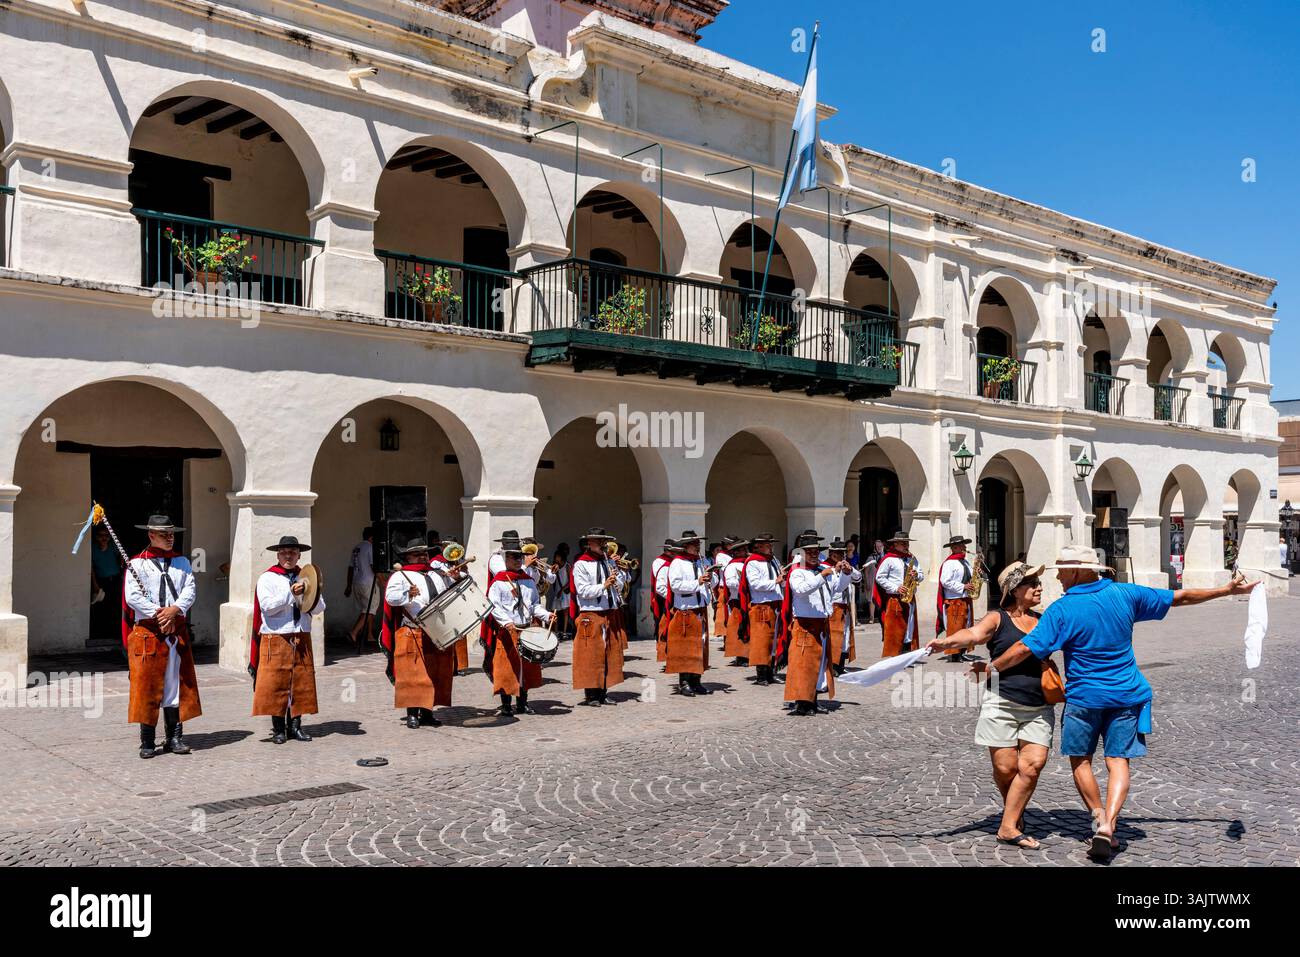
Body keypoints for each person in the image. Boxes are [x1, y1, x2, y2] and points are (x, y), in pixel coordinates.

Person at [983, 543, 1257, 860]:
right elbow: (1180, 598)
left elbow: (1028, 648)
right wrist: (1226, 590)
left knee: (1081, 761)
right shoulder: (1126, 594)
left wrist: (993, 666)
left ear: (1076, 572)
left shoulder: (1061, 609)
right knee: (1118, 763)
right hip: (1127, 694)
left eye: (1062, 573)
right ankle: (1108, 827)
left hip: (1084, 698)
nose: (1058, 580)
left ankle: (1099, 818)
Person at [927, 561, 1054, 850]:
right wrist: (947, 643)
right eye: (1032, 583)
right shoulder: (997, 618)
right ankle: (1014, 815)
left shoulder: (1042, 619)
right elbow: (972, 634)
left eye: (1038, 583)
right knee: (1006, 768)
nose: (1039, 587)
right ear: (1015, 590)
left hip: (1038, 705)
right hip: (1002, 704)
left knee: (1032, 766)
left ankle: (1008, 827)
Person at [122, 514, 200, 759]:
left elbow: (190, 589)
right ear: (151, 535)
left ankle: (174, 737)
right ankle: (147, 740)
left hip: (175, 630)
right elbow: (133, 596)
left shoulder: (183, 562)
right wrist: (159, 614)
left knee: (174, 684)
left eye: (172, 533)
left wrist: (174, 610)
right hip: (149, 631)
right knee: (147, 685)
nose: (169, 538)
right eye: (164, 534)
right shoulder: (137, 564)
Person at [249, 535, 322, 744]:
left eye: (292, 552)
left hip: (300, 635)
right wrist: (291, 595)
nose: (288, 556)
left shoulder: (307, 577)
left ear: (299, 555)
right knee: (276, 684)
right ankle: (279, 728)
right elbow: (268, 607)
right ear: (278, 555)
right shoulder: (267, 578)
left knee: (299, 683)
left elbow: (320, 607)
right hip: (276, 637)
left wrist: (311, 594)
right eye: (284, 552)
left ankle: (296, 726)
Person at [381, 537, 456, 729]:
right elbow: (390, 598)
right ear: (408, 557)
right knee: (413, 674)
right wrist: (407, 594)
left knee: (433, 672)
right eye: (417, 554)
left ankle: (428, 712)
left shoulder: (438, 574)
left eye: (425, 553)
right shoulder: (400, 576)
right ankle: (412, 714)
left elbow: (451, 594)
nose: (423, 556)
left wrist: (455, 578)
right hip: (412, 629)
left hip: (436, 630)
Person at [778, 531, 852, 716]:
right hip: (805, 624)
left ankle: (813, 699)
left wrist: (845, 575)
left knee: (819, 666)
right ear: (802, 554)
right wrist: (822, 576)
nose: (813, 555)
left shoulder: (820, 571)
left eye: (816, 551)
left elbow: (837, 588)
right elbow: (801, 591)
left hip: (821, 623)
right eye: (809, 552)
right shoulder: (797, 572)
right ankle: (802, 702)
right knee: (804, 664)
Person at [485, 533, 554, 716]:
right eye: (513, 557)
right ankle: (506, 706)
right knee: (506, 669)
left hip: (526, 629)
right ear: (505, 558)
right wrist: (506, 622)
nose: (517, 560)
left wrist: (547, 615)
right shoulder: (498, 582)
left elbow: (534, 605)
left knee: (526, 668)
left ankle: (522, 703)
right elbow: (492, 606)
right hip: (508, 629)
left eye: (520, 557)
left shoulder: (528, 581)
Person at [569, 526, 625, 706]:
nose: (603, 545)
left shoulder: (608, 561)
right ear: (589, 543)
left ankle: (603, 692)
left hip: (609, 612)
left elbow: (622, 585)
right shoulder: (581, 564)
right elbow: (583, 591)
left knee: (608, 654)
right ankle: (591, 695)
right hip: (591, 613)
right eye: (598, 541)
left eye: (603, 541)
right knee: (590, 656)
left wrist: (618, 577)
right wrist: (604, 585)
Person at [666, 530, 712, 696]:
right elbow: (676, 586)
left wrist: (711, 578)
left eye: (698, 544)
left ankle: (697, 680)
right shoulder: (677, 563)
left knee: (700, 645)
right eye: (695, 544)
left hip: (701, 607)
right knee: (685, 647)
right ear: (686, 546)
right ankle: (684, 682)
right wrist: (697, 582)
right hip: (686, 608)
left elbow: (714, 583)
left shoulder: (702, 561)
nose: (698, 547)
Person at [740, 532, 783, 686]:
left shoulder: (773, 561)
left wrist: (783, 579)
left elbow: (779, 579)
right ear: (758, 546)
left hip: (775, 603)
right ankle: (761, 674)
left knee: (773, 640)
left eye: (771, 544)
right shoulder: (752, 562)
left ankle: (772, 671)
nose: (770, 547)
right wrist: (775, 582)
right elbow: (755, 583)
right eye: (767, 545)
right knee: (761, 641)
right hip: (761, 606)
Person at [874, 532, 924, 657]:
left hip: (909, 598)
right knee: (896, 628)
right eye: (903, 543)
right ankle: (895, 655)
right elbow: (879, 577)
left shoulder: (912, 559)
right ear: (895, 544)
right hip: (895, 598)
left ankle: (906, 654)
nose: (906, 545)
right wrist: (896, 588)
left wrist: (916, 576)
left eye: (907, 543)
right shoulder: (889, 559)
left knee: (909, 627)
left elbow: (921, 574)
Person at [936, 535, 980, 664]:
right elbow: (945, 581)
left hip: (965, 598)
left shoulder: (965, 561)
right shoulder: (949, 563)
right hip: (954, 599)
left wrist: (976, 573)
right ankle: (954, 655)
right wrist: (963, 586)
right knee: (955, 628)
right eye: (962, 546)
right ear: (954, 548)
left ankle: (962, 651)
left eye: (964, 545)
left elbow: (969, 577)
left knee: (966, 627)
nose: (965, 548)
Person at [824, 538, 862, 675]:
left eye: (842, 553)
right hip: (833, 605)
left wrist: (850, 569)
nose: (841, 556)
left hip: (845, 605)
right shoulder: (825, 567)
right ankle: (833, 665)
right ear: (831, 554)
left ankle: (840, 664)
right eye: (838, 553)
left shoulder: (846, 566)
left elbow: (858, 578)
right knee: (835, 636)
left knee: (845, 636)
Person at [344, 527, 378, 650]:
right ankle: (354, 633)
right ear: (372, 537)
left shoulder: (356, 548)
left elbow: (350, 568)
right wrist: (382, 579)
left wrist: (348, 585)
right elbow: (374, 566)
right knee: (371, 609)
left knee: (366, 610)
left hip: (357, 582)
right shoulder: (370, 547)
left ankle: (369, 635)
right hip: (368, 582)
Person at [89, 524, 123, 641]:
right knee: (102, 609)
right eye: (101, 536)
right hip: (101, 582)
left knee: (116, 607)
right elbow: (91, 569)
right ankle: (101, 634)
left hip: (116, 580)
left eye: (106, 536)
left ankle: (115, 634)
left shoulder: (113, 546)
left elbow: (121, 559)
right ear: (95, 537)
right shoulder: (92, 549)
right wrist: (95, 585)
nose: (104, 538)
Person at [721, 538, 751, 665]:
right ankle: (740, 655)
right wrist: (743, 582)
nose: (745, 551)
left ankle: (748, 653)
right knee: (738, 626)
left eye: (745, 549)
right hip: (738, 599)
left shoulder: (749, 563)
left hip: (749, 599)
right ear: (735, 552)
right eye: (742, 549)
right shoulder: (732, 566)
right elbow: (730, 582)